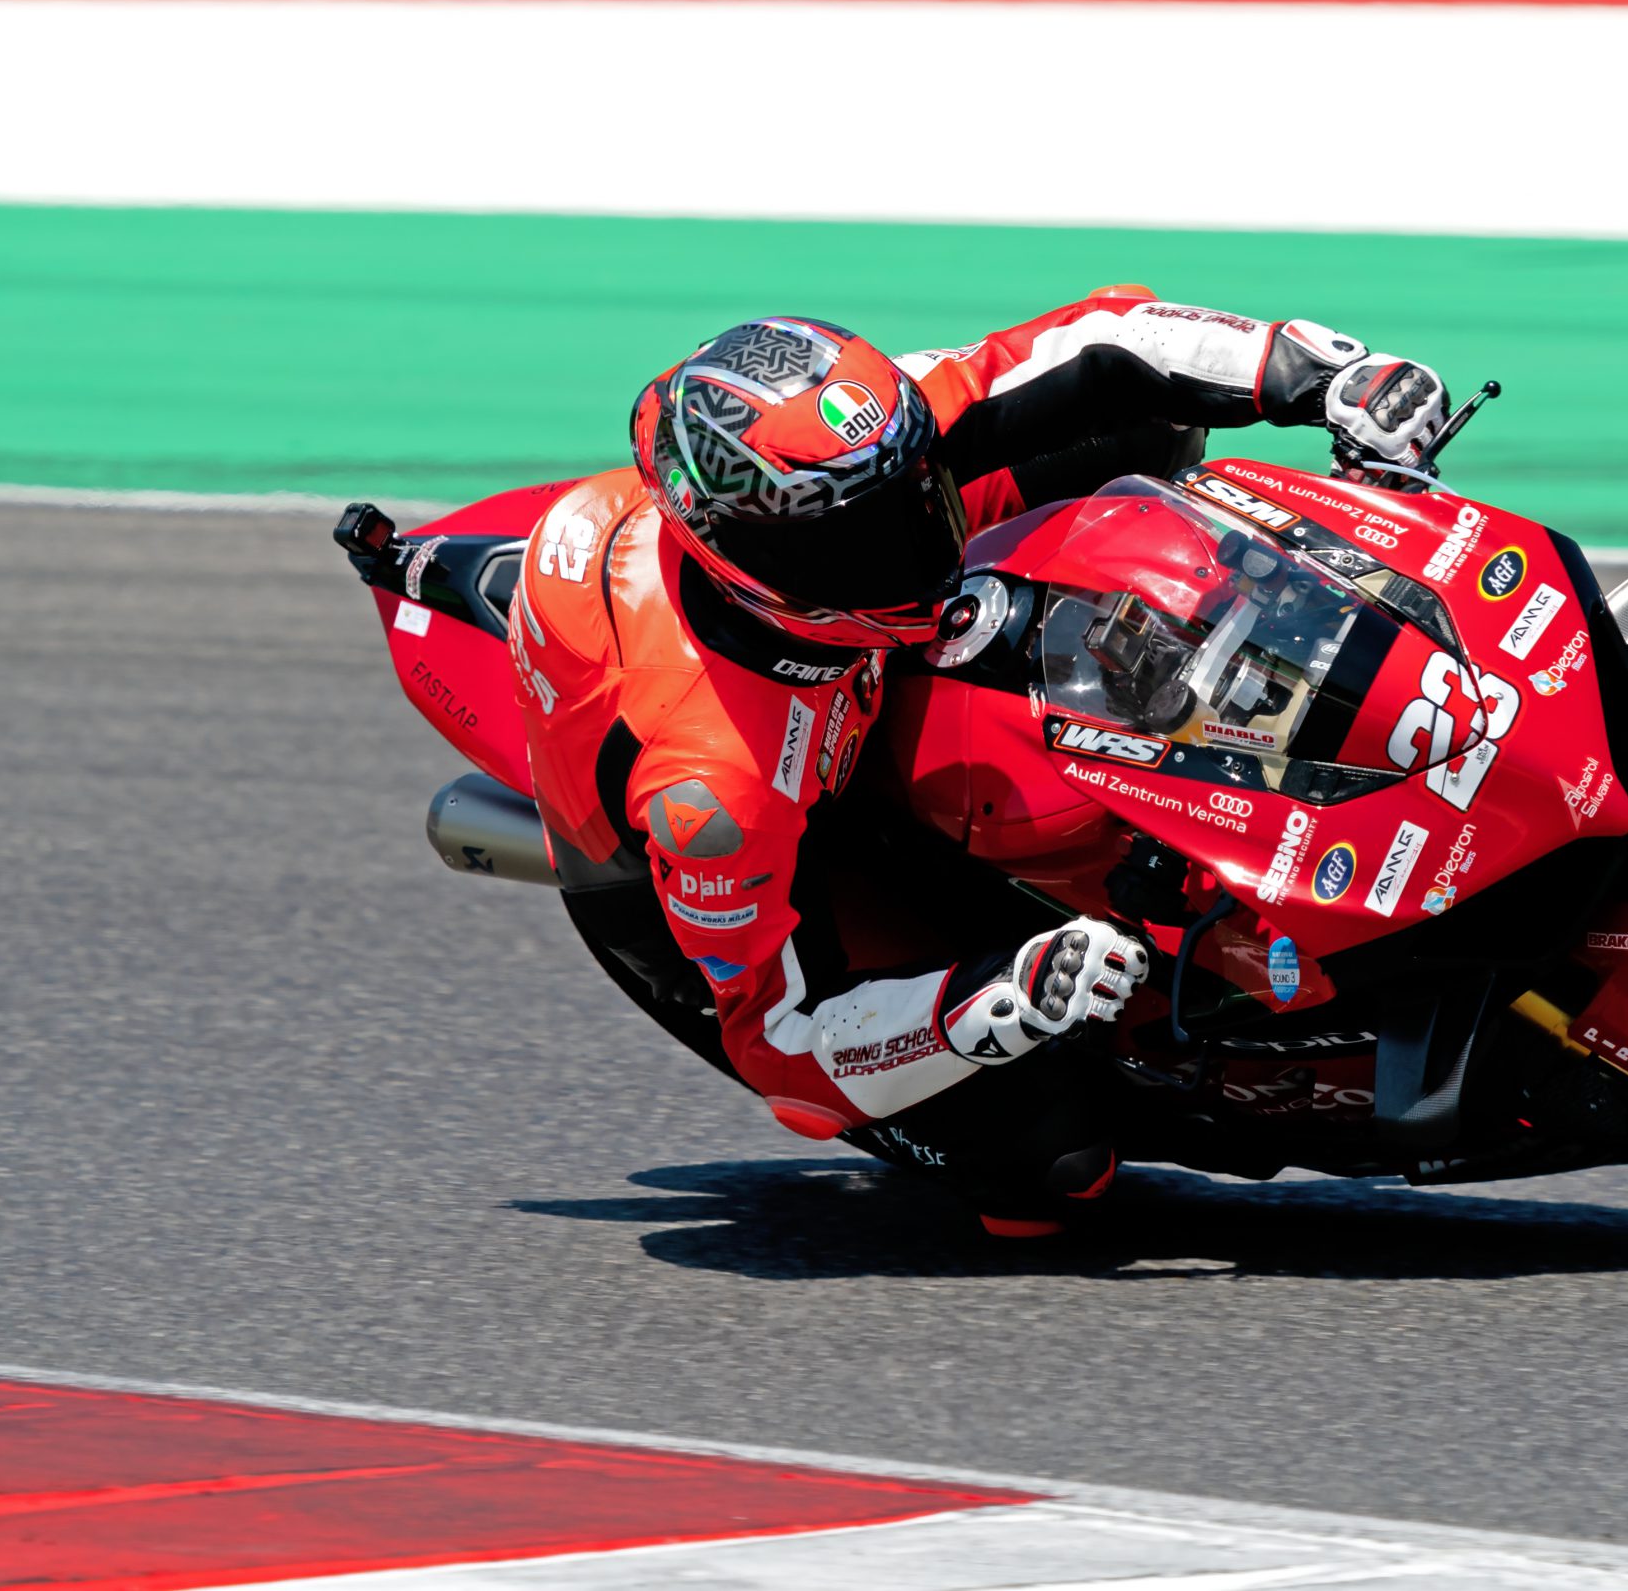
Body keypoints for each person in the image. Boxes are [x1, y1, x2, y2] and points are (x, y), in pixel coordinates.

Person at [509, 288, 1448, 1232]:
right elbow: (780, 1040)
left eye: (917, 487)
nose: (921, 541)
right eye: (868, 538)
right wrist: (986, 1001)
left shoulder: (851, 459)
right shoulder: (714, 789)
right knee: (1056, 1168)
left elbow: (1102, 339)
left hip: (846, 666)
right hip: (768, 865)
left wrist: (1317, 373)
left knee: (1142, 428)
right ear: (754, 565)